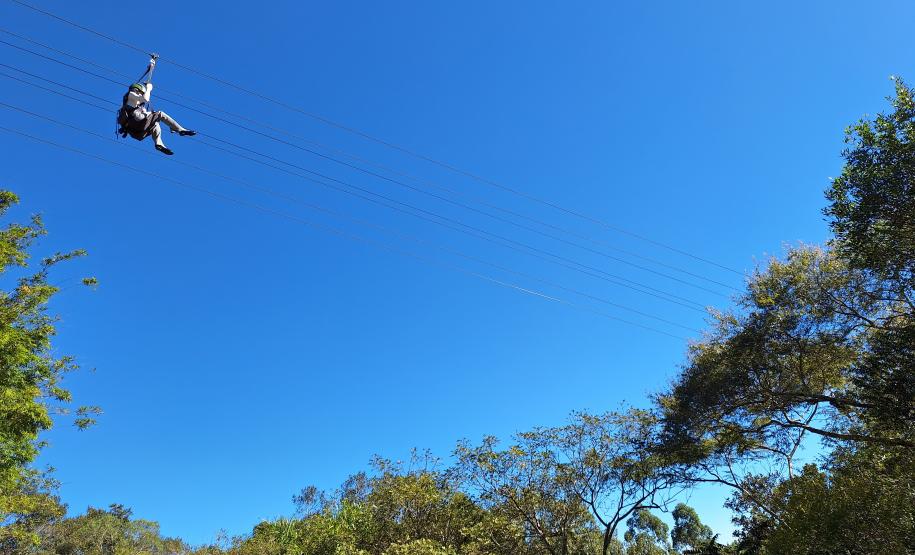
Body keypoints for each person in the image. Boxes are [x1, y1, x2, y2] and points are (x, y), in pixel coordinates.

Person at [117, 56, 196, 155]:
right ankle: (180, 129)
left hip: (137, 132)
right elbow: (146, 99)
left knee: (155, 124)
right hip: (136, 124)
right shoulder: (131, 95)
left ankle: (159, 144)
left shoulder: (136, 105)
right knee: (160, 114)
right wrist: (149, 89)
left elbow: (144, 107)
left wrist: (152, 65)